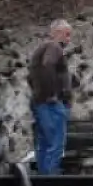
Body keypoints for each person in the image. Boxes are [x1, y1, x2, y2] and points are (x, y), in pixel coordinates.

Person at [28, 19, 74, 175]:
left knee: (44, 143)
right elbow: (48, 65)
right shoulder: (54, 47)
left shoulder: (41, 49)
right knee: (55, 143)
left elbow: (32, 77)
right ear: (57, 33)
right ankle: (51, 178)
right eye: (67, 34)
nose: (69, 39)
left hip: (39, 101)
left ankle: (43, 179)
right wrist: (52, 93)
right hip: (50, 103)